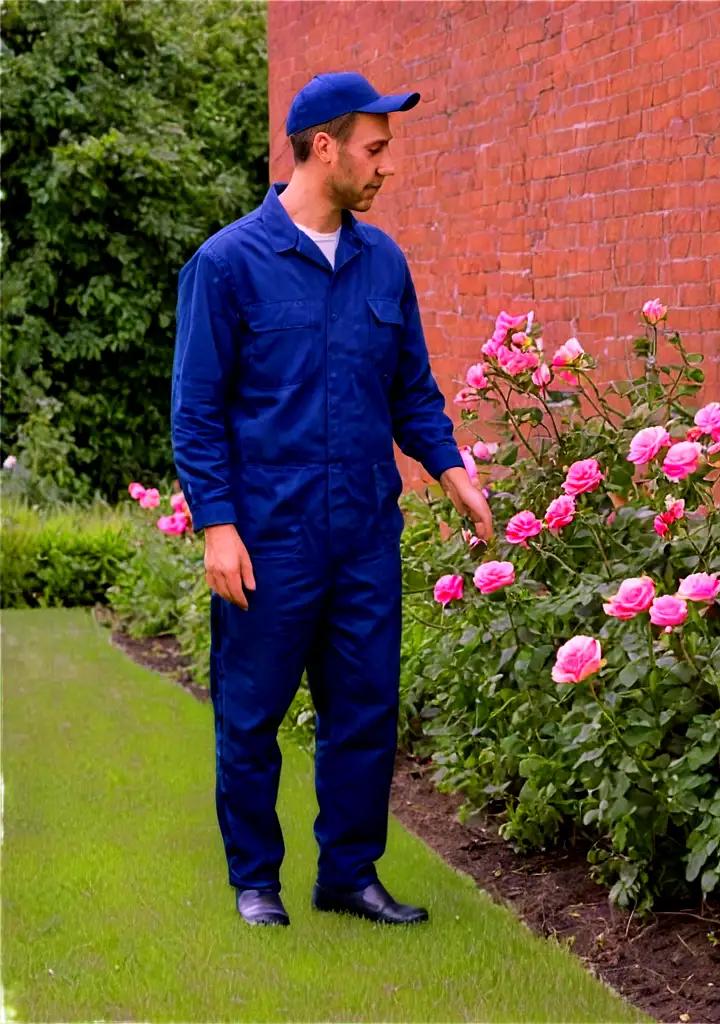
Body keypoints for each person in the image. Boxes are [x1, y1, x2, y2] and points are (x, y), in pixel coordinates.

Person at [170, 72, 493, 928]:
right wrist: (218, 526)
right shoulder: (227, 265)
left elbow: (412, 391)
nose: (386, 167)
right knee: (251, 715)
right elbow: (196, 412)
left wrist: (452, 469)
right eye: (375, 148)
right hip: (268, 540)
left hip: (361, 533)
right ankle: (257, 881)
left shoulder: (382, 262)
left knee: (365, 710)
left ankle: (349, 875)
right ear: (324, 147)